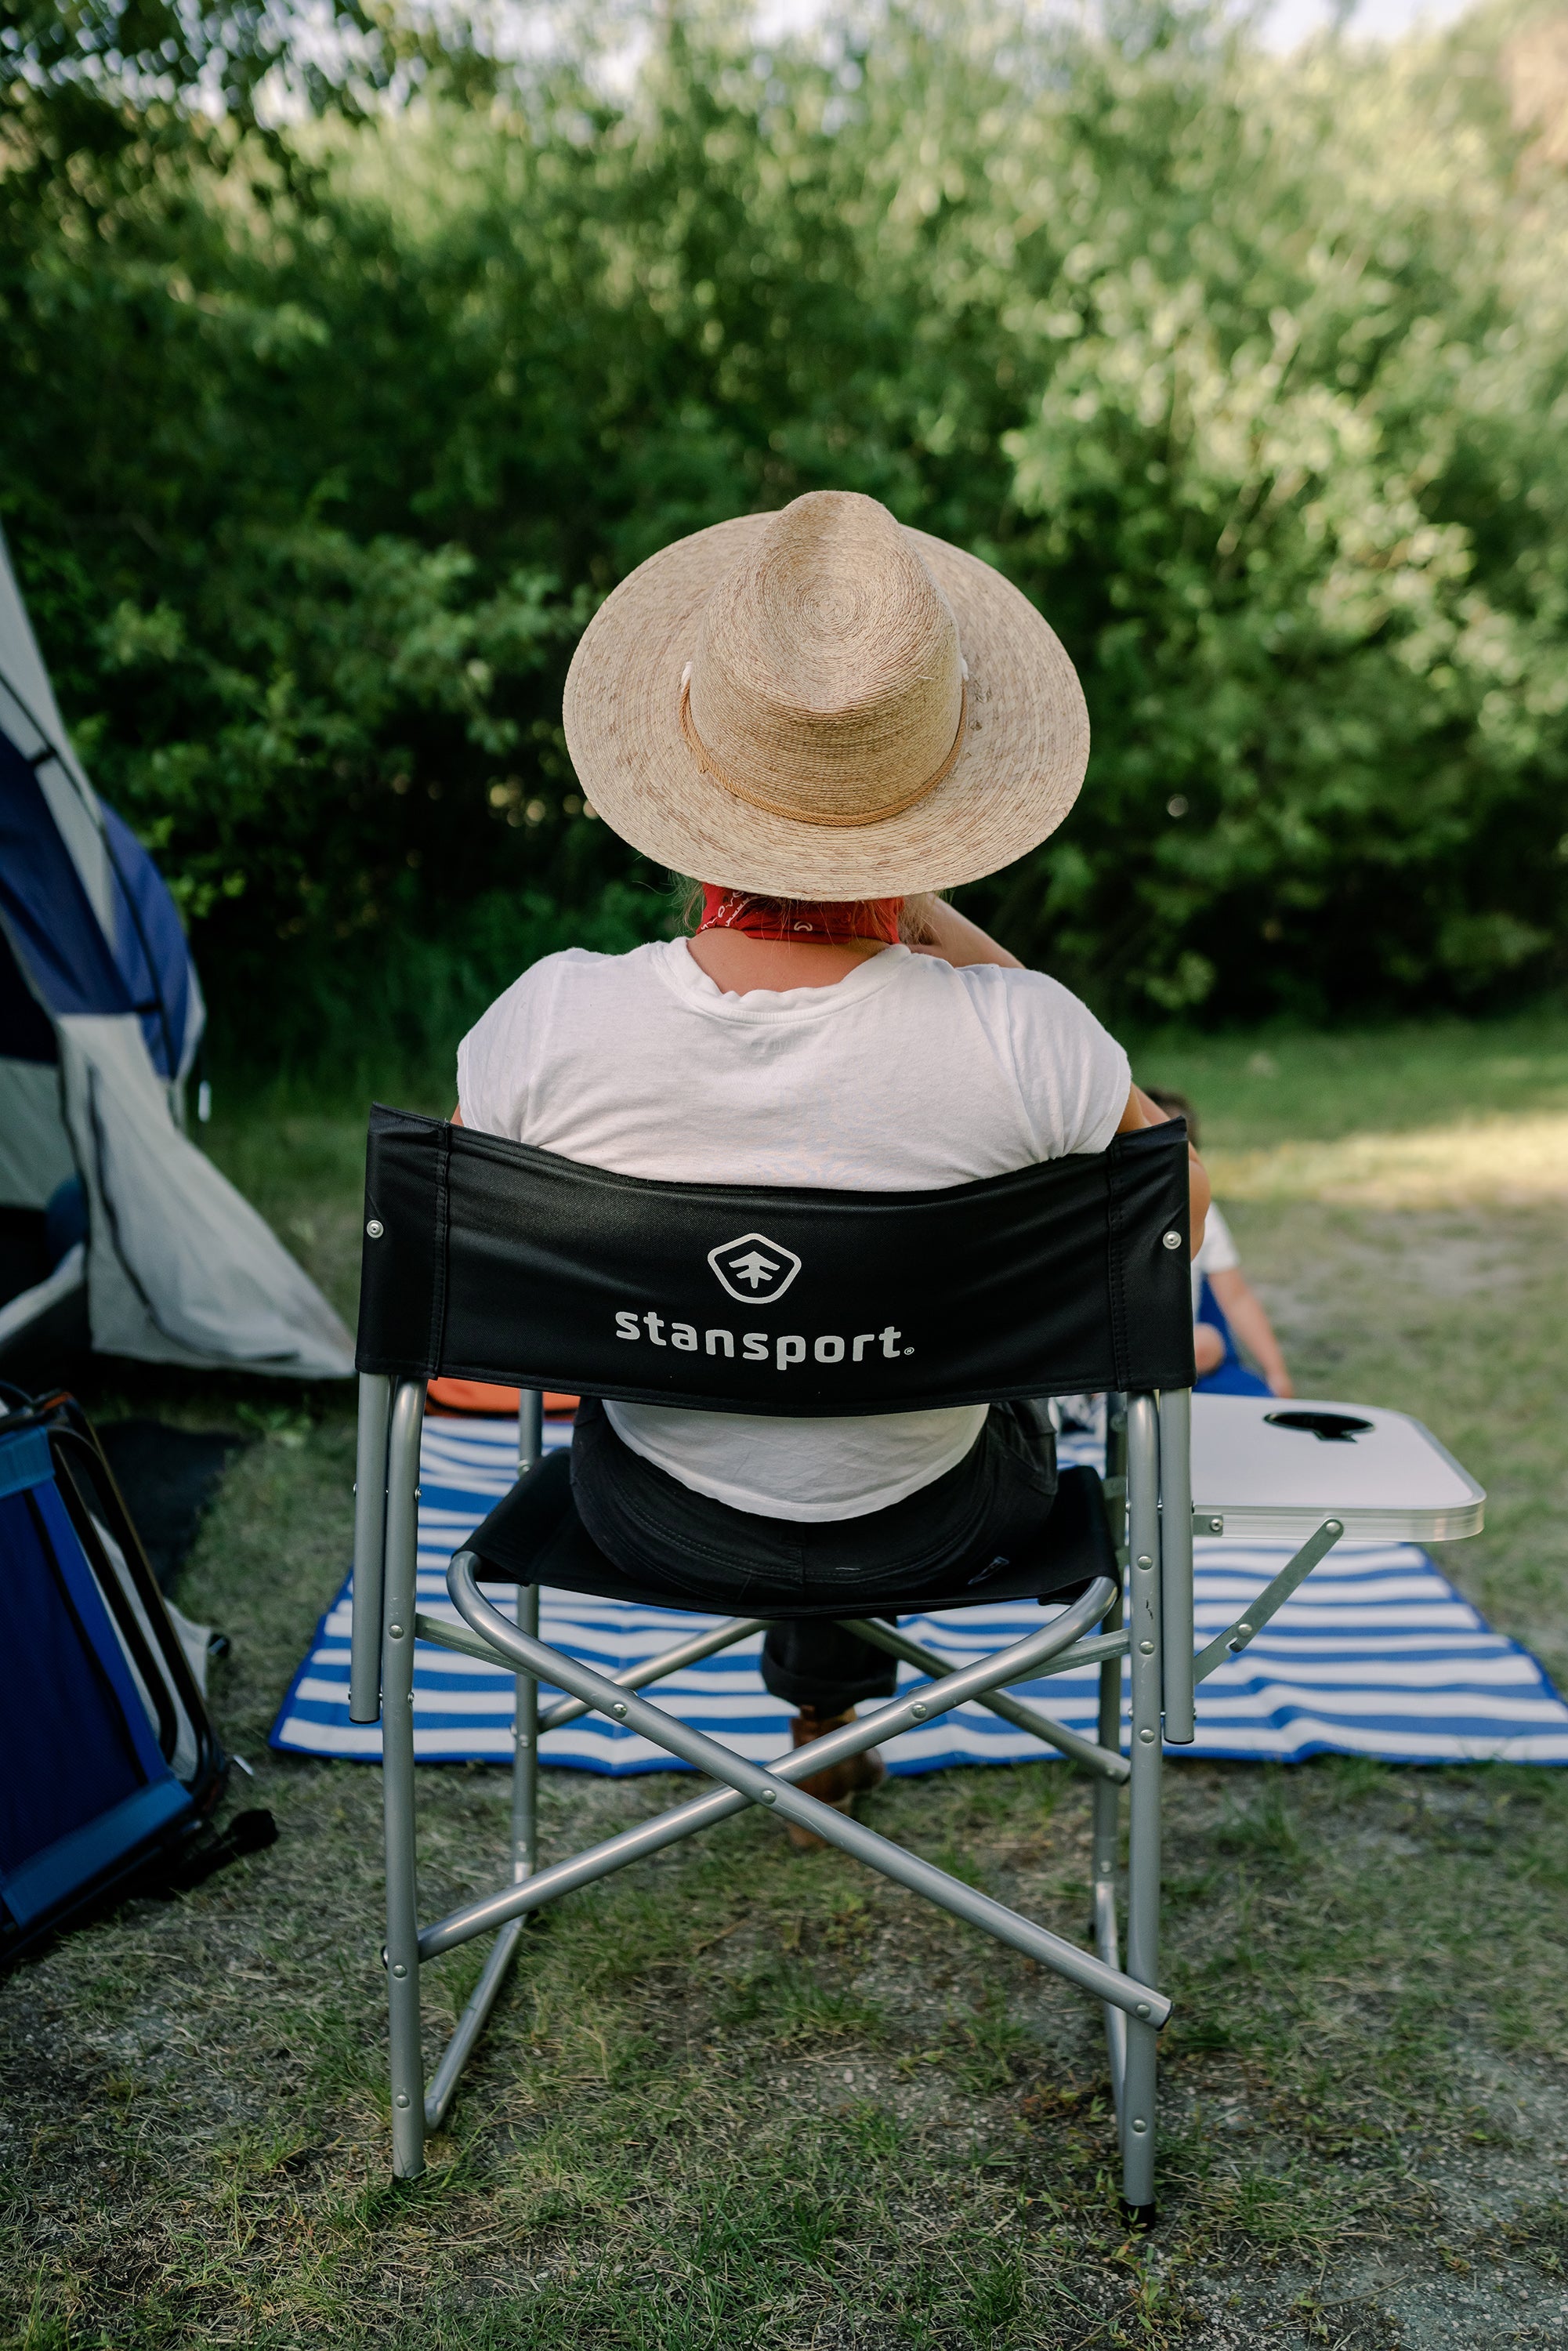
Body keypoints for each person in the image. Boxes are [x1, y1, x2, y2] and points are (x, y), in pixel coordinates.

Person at [454, 490, 1208, 1843]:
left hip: (648, 1514)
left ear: (685, 799)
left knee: (761, 1372)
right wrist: (945, 927)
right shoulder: (1024, 1034)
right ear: (931, 829)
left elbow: (470, 1246)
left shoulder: (547, 1019)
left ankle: (813, 1718)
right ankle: (831, 1720)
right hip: (937, 1520)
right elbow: (1177, 1216)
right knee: (911, 1394)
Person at [1143, 1087, 1292, 1399]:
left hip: (1176, 1354)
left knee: (1208, 1342)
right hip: (1125, 1349)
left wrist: (1277, 1373)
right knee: (1208, 1343)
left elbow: (1236, 1298)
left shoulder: (1199, 1207)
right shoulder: (1114, 1210)